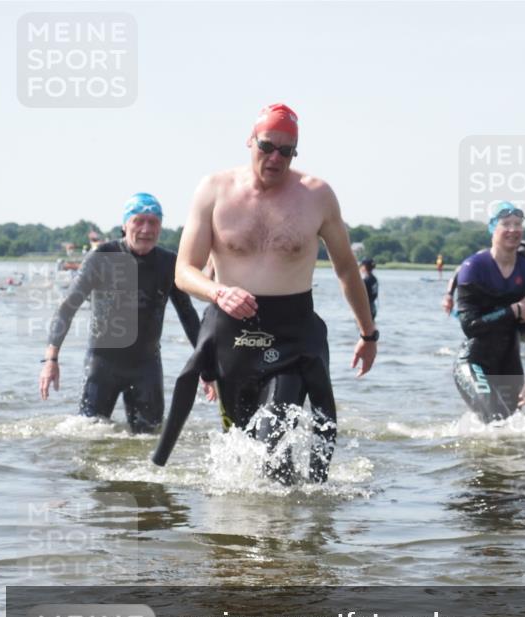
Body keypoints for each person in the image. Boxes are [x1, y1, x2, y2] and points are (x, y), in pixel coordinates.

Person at [151, 103, 378, 484]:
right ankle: (235, 537)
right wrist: (219, 293)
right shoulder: (214, 190)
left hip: (292, 334)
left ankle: (277, 537)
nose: (276, 158)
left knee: (275, 439)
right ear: (250, 141)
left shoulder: (317, 196)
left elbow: (345, 269)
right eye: (267, 146)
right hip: (229, 334)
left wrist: (368, 333)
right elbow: (184, 271)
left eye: (286, 151)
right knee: (238, 450)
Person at [38, 193, 202, 433]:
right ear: (125, 225)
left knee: (150, 439)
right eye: (139, 221)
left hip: (147, 367)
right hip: (102, 365)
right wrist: (50, 360)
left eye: (153, 222)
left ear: (160, 226)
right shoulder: (102, 258)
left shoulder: (169, 263)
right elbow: (66, 308)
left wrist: (206, 367)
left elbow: (188, 316)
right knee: (88, 435)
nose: (146, 228)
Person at [452, 202, 525, 421]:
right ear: (492, 228)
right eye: (506, 224)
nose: (513, 229)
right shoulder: (473, 268)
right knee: (494, 418)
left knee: (513, 426)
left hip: (510, 364)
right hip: (474, 362)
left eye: (518, 224)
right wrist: (513, 311)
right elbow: (470, 326)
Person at [441, 239, 525, 315]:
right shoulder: (483, 257)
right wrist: (449, 295)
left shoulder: (521, 256)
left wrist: (513, 240)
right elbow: (459, 270)